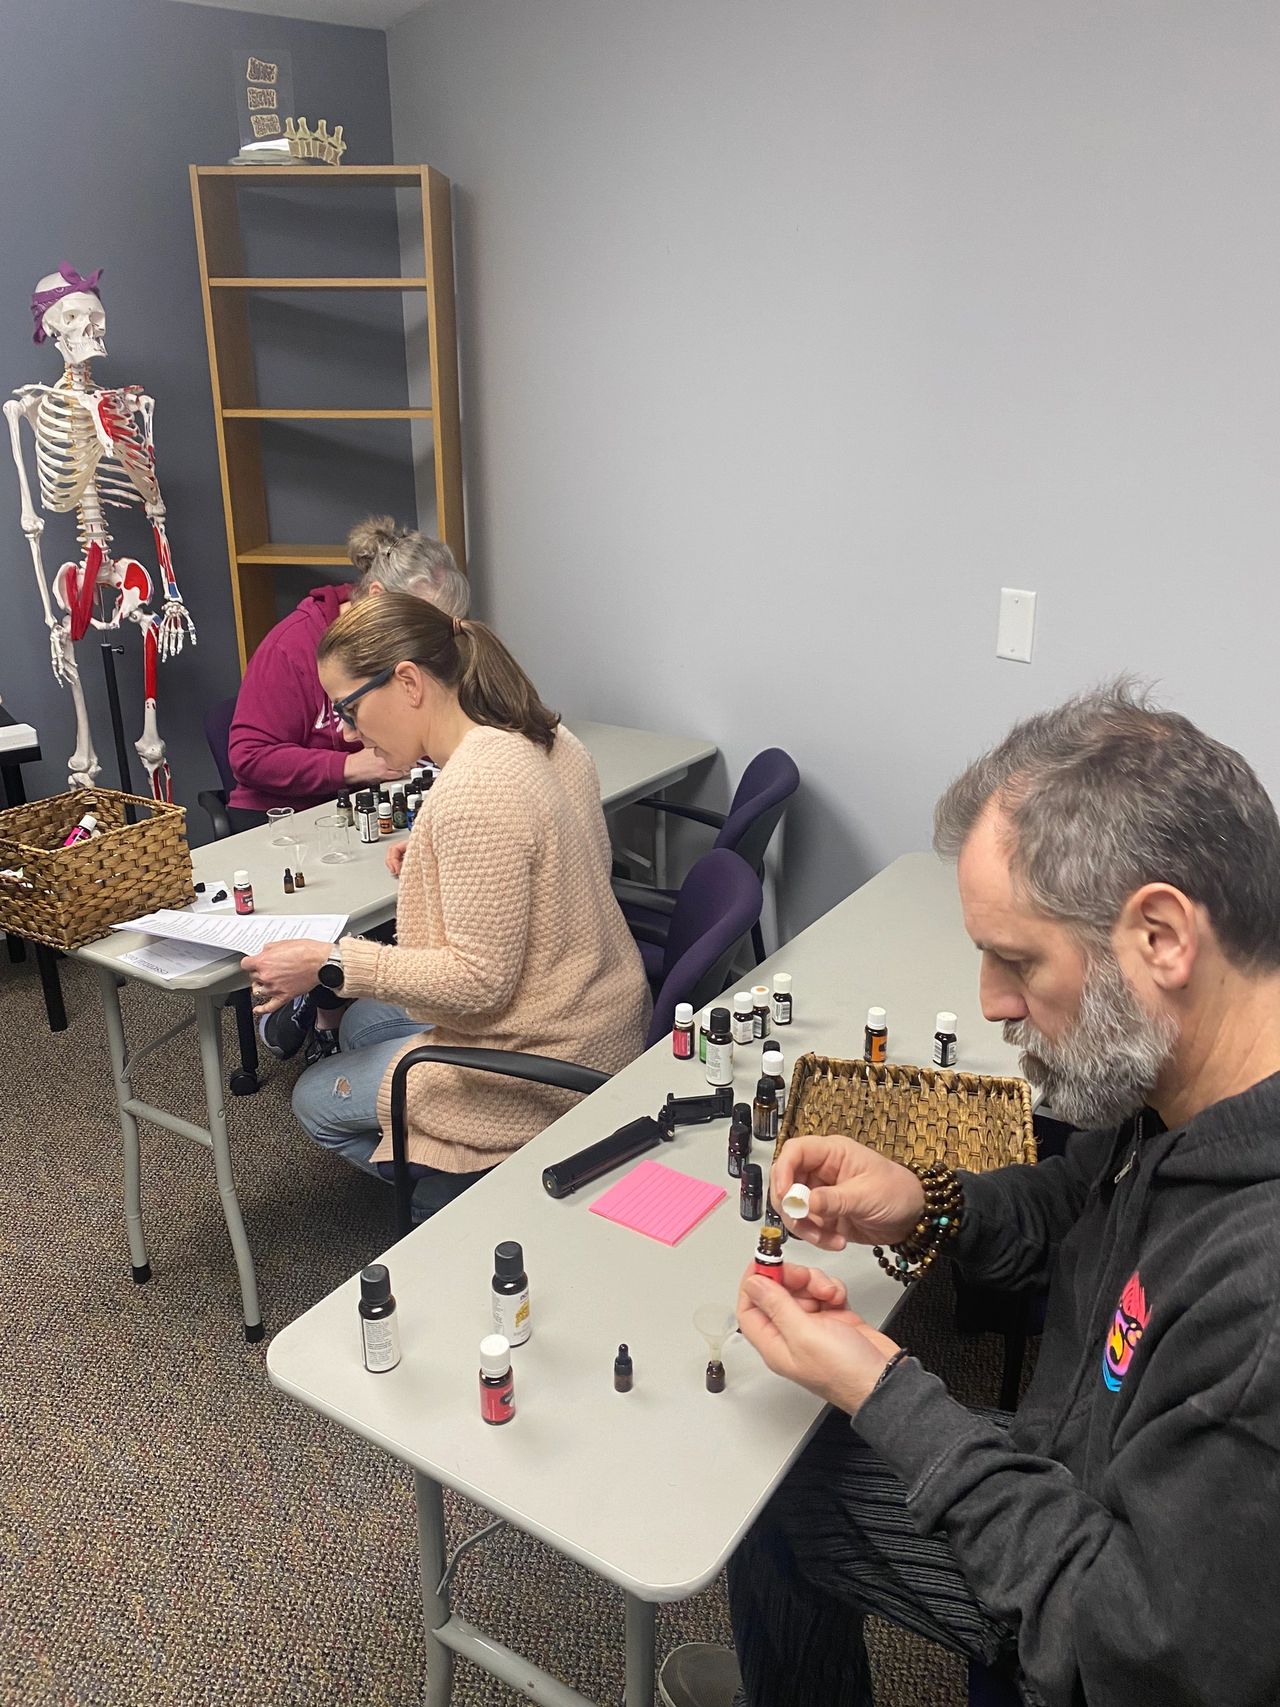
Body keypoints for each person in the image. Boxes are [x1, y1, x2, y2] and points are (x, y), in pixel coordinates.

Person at [660, 684, 1280, 1707]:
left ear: (1162, 936)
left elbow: (1127, 1653)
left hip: (1096, 1601)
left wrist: (886, 1390)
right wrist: (925, 1203)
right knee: (782, 1472)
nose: (990, 1002)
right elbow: (1074, 1205)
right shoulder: (1181, 1085)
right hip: (1070, 1462)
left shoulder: (1257, 1304)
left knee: (783, 1484)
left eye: (1016, 959)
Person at [241, 590, 651, 1215]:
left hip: (548, 1055)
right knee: (360, 1023)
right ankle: (446, 1162)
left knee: (314, 1100)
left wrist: (330, 964)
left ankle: (476, 1209)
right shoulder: (545, 737)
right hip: (600, 1009)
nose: (347, 733)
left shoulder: (474, 791)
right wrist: (442, 856)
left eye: (349, 708)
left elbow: (477, 982)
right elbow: (549, 855)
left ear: (408, 682)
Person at [227, 516, 469, 815]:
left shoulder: (413, 648)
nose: (427, 645)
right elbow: (249, 756)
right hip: (284, 814)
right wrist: (348, 766)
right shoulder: (292, 646)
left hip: (376, 802)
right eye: (417, 628)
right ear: (377, 598)